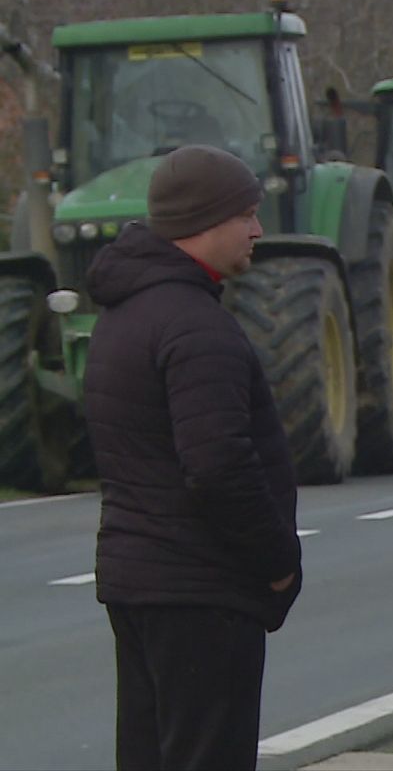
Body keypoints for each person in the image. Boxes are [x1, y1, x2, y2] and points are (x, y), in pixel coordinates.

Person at [82, 144, 302, 770]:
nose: (258, 230)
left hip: (137, 578)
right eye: (247, 215)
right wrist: (278, 562)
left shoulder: (122, 317)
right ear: (205, 220)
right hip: (203, 588)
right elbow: (218, 464)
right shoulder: (196, 327)